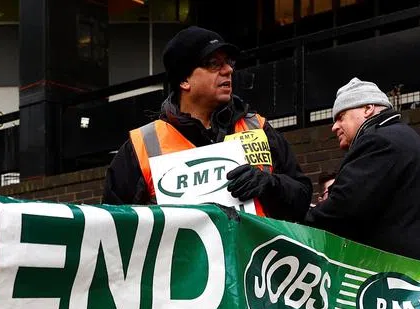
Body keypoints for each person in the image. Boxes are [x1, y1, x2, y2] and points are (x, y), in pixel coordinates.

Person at [102, 26, 311, 222]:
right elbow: (115, 228)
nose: (228, 70)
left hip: (255, 260)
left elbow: (302, 199)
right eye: (213, 64)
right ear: (184, 81)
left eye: (228, 62)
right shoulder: (142, 146)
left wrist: (271, 185)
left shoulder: (259, 128)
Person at [304, 77, 420, 266]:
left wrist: (298, 221)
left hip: (398, 274)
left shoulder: (378, 142)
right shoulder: (401, 136)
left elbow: (343, 209)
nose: (334, 126)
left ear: (368, 109)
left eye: (340, 117)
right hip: (415, 269)